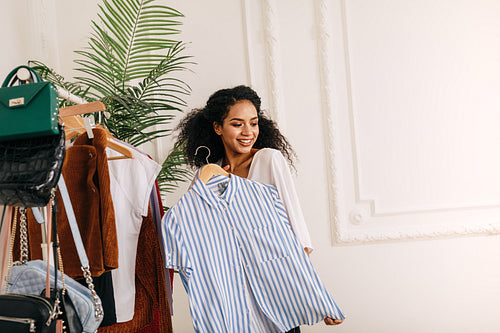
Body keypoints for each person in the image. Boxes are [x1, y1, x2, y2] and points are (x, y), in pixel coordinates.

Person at [174, 85, 344, 331]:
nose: (248, 132)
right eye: (237, 124)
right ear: (217, 127)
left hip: (275, 289)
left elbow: (297, 236)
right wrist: (211, 184)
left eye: (253, 123)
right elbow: (190, 230)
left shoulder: (268, 159)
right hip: (235, 298)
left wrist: (316, 298)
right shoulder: (207, 174)